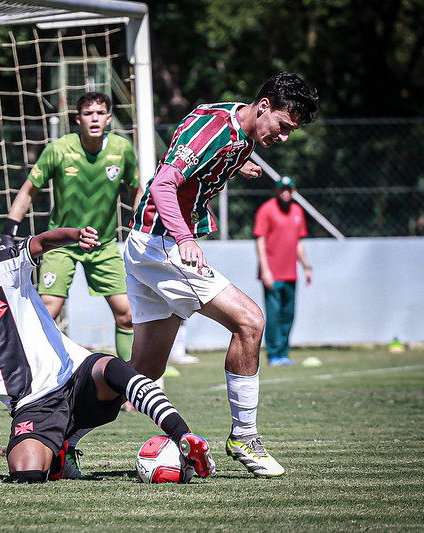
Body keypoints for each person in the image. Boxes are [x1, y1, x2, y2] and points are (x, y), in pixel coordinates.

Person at [0, 226, 216, 483]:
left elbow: (37, 244)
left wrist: (73, 236)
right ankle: (60, 453)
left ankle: (186, 438)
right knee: (26, 473)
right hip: (33, 405)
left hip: (75, 373)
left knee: (114, 369)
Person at [123, 72, 319, 478]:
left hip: (145, 244)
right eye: (282, 126)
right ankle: (244, 436)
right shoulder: (216, 130)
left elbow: (203, 146)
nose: (283, 137)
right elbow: (162, 184)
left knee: (141, 374)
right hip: (164, 243)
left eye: (290, 132)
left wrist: (238, 163)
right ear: (264, 105)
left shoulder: (235, 122)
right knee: (250, 321)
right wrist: (183, 238)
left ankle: (62, 436)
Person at [1, 91, 139, 364]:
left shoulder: (122, 150)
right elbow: (28, 190)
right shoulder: (59, 149)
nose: (94, 118)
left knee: (128, 315)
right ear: (78, 120)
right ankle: (24, 376)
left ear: (109, 118)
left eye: (100, 113)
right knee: (48, 311)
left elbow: (137, 191)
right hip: (61, 245)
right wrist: (8, 233)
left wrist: (143, 227)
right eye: (88, 114)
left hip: (103, 245)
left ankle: (131, 388)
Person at [254, 175, 313, 366]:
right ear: (276, 191)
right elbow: (260, 242)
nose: (285, 192)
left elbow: (298, 243)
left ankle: (284, 352)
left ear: (294, 191)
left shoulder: (297, 211)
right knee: (274, 315)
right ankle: (274, 354)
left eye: (289, 189)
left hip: (290, 273)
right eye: (282, 189)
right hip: (273, 273)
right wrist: (265, 271)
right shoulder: (267, 210)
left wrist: (307, 266)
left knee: (288, 314)